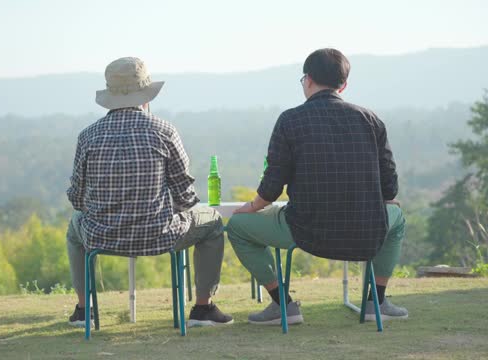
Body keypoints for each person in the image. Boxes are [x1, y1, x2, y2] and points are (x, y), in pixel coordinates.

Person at [226, 48, 408, 325]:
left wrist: (251, 207)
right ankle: (376, 302)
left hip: (305, 230)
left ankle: (283, 305)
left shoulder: (289, 120)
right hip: (365, 227)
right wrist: (383, 199)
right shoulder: (371, 120)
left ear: (308, 80)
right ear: (343, 85)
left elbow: (273, 183)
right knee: (397, 220)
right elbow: (390, 187)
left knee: (237, 228)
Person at [65, 57, 233, 328]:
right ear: (145, 96)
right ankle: (204, 307)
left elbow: (76, 198)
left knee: (74, 229)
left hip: (100, 236)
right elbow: (184, 196)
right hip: (159, 236)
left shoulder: (88, 136)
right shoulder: (164, 131)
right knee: (212, 222)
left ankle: (85, 310)